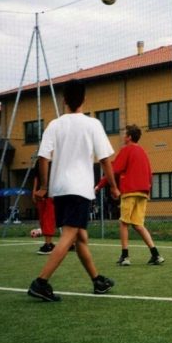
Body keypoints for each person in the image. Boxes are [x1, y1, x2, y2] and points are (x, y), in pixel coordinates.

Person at [28, 79, 120, 302]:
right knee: (70, 236)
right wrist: (114, 187)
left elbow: (43, 157)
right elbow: (106, 160)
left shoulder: (54, 125)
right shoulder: (93, 125)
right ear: (85, 99)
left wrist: (43, 186)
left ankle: (97, 281)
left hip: (59, 190)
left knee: (81, 237)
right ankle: (41, 282)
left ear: (64, 100)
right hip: (79, 189)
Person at [95, 124, 164, 266]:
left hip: (130, 192)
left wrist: (99, 185)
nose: (123, 136)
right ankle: (156, 255)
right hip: (143, 192)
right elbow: (149, 174)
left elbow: (114, 170)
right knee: (138, 224)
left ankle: (125, 256)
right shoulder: (143, 152)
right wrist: (148, 191)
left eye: (125, 134)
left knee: (124, 223)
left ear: (129, 137)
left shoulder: (126, 150)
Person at [31, 159, 57, 254]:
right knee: (43, 220)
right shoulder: (40, 161)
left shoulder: (57, 159)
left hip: (52, 194)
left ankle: (48, 244)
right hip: (41, 194)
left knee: (48, 219)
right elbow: (36, 177)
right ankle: (49, 243)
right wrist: (34, 192)